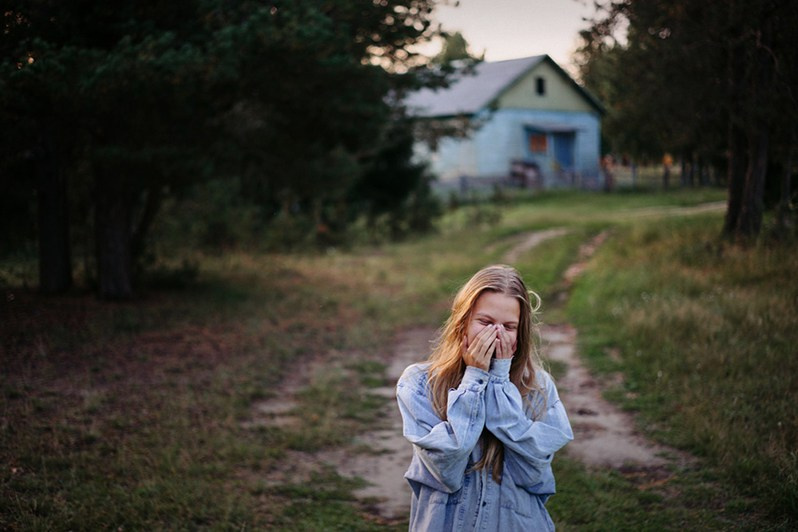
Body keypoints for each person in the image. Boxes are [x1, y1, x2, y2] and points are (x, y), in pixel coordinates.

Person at [396, 265, 573, 531]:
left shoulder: (538, 387)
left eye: (509, 326)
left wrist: (500, 382)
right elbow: (445, 466)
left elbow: (532, 473)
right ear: (462, 323)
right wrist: (475, 378)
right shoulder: (419, 383)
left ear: (520, 334)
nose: (497, 335)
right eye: (486, 323)